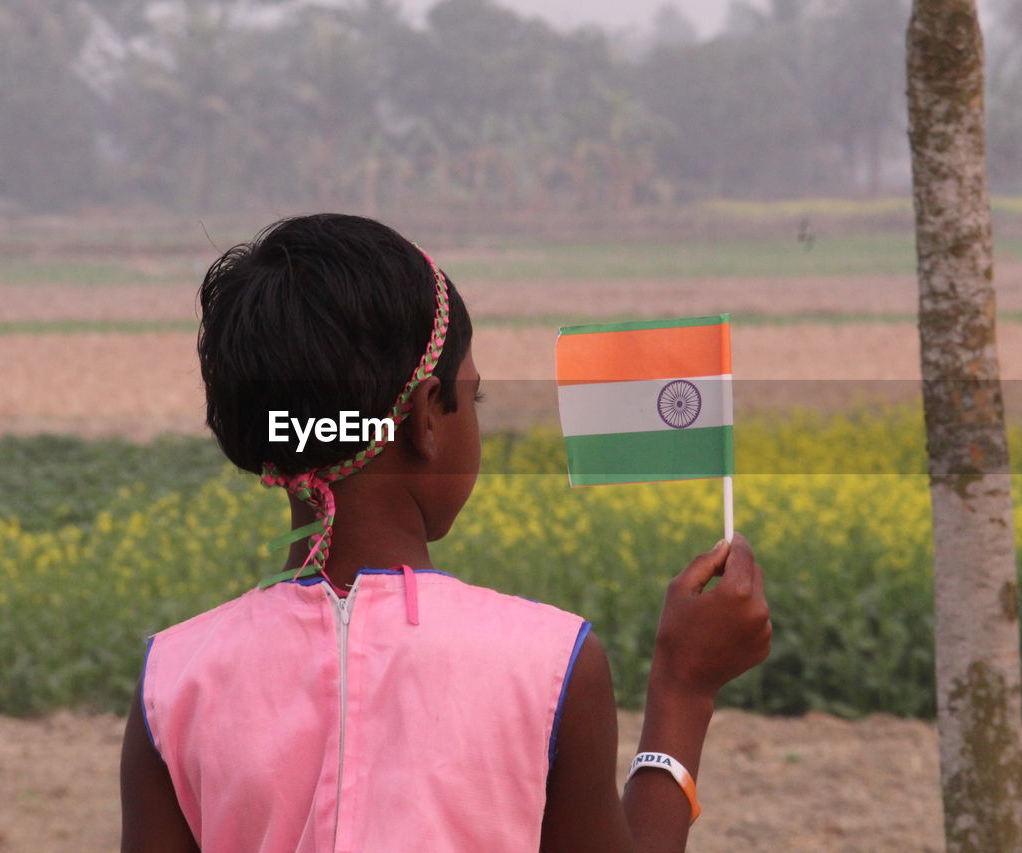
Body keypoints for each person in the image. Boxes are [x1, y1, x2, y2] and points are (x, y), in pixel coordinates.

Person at [119, 213, 772, 853]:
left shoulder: (172, 682)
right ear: (428, 416)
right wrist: (682, 690)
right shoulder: (551, 665)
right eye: (474, 397)